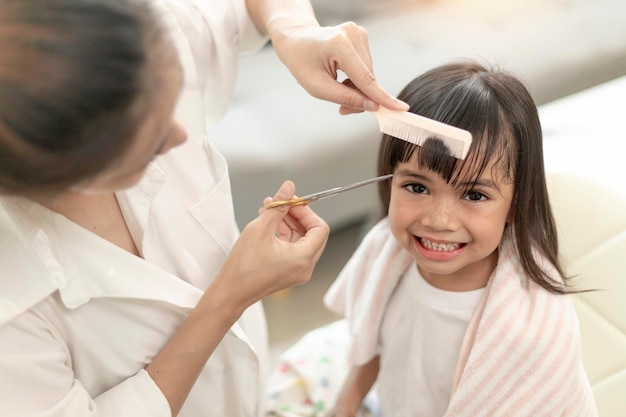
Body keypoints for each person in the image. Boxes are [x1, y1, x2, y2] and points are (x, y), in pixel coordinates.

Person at [0, 0, 408, 416]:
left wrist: (294, 29)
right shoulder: (12, 302)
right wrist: (229, 297)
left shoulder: (131, 34)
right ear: (71, 166)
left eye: (172, 97)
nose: (180, 135)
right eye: (147, 141)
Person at [319, 61, 598, 416]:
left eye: (475, 195)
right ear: (390, 183)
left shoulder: (529, 329)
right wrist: (344, 407)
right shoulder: (384, 257)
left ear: (516, 204)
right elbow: (370, 345)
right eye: (417, 187)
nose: (439, 220)